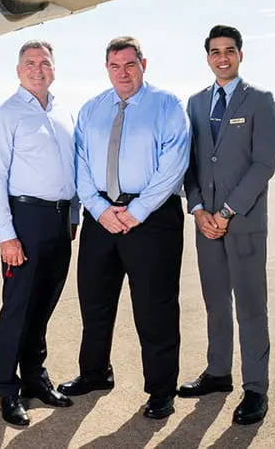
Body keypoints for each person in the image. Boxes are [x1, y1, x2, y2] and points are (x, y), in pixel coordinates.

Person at [59, 36, 190, 421]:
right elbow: (79, 164)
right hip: (101, 218)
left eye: (130, 65)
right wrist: (100, 210)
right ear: (107, 68)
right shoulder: (92, 109)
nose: (123, 73)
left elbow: (174, 163)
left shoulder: (167, 105)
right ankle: (94, 373)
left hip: (152, 219)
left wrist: (136, 211)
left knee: (155, 307)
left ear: (143, 64)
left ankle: (161, 389)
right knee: (95, 302)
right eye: (115, 66)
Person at [179, 25, 275, 425]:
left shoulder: (259, 100)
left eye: (230, 51)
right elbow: (190, 163)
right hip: (206, 225)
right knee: (215, 303)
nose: (223, 57)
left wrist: (226, 212)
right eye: (215, 51)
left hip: (244, 223)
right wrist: (199, 208)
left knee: (252, 309)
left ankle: (255, 388)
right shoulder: (196, 103)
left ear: (240, 55)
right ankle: (218, 372)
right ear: (207, 57)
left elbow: (263, 164)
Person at [0, 40, 79, 427]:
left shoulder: (63, 113)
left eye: (45, 62)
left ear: (54, 68)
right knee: (18, 308)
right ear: (18, 70)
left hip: (59, 221)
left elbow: (72, 168)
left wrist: (72, 214)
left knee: (44, 307)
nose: (38, 68)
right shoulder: (4, 115)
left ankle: (36, 377)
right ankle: (7, 388)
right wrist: (6, 235)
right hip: (25, 219)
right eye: (30, 63)